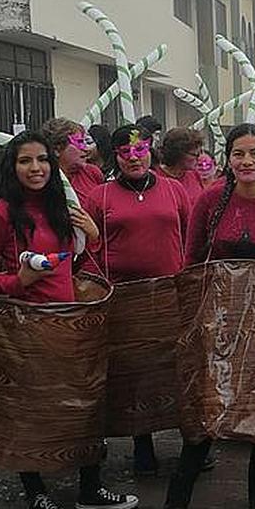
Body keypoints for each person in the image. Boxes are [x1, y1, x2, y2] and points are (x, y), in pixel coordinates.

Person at [140, 124, 255, 509]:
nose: (247, 162)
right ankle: (175, 506)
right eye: (238, 154)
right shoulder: (210, 201)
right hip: (216, 326)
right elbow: (192, 263)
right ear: (227, 159)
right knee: (204, 411)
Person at [0, 131, 136, 509]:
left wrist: (93, 237)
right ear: (12, 167)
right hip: (25, 330)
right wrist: (18, 282)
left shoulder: (62, 205)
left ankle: (90, 487)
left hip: (69, 325)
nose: (36, 168)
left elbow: (71, 266)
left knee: (83, 406)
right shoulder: (1, 214)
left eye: (42, 160)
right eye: (25, 161)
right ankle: (36, 495)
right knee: (31, 414)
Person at [84, 124, 191, 477]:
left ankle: (192, 440)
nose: (134, 157)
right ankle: (141, 444)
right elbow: (89, 249)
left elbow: (191, 239)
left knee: (177, 367)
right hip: (124, 301)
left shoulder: (175, 191)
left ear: (152, 151)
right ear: (115, 156)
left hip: (170, 296)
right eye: (126, 152)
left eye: (141, 149)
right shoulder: (100, 197)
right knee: (135, 374)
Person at [42, 118, 104, 206]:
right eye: (79, 142)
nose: (85, 148)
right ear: (57, 149)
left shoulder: (92, 173)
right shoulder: (43, 178)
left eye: (85, 142)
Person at [154, 127, 205, 203]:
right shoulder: (156, 177)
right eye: (194, 155)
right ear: (178, 154)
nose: (199, 158)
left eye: (200, 153)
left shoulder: (194, 175)